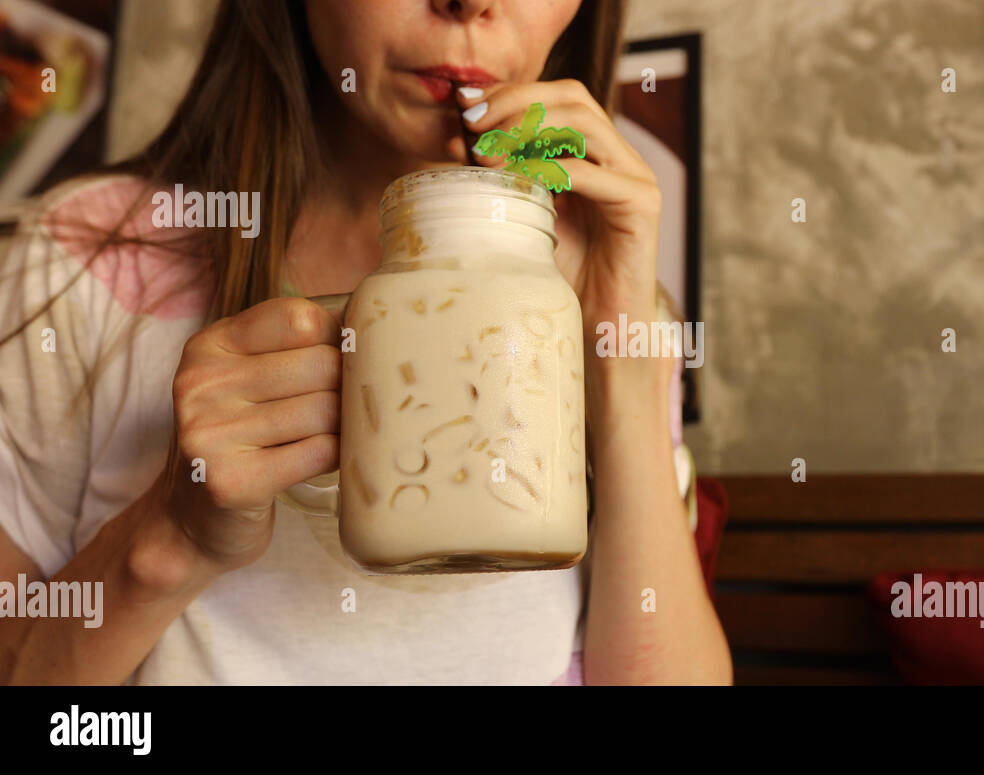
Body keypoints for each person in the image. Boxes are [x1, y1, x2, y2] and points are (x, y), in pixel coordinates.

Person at [0, 0, 730, 685]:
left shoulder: (600, 288)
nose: (471, 1)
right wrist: (168, 539)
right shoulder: (82, 261)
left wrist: (624, 367)